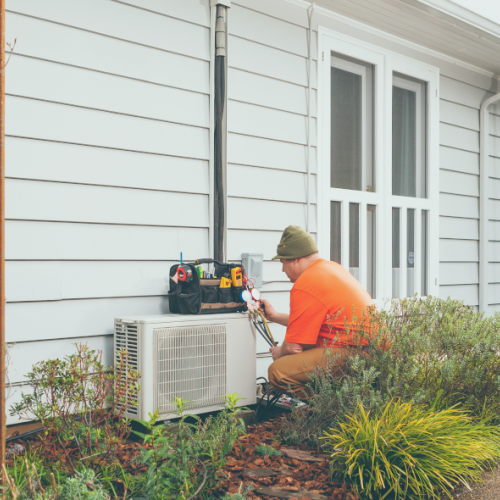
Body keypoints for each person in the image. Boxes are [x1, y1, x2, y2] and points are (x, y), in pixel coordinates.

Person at [261, 225, 374, 399]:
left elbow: (292, 348)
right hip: (371, 351)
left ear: (295, 259)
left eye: (283, 262)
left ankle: (330, 411)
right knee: (307, 351)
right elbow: (312, 322)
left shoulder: (305, 283)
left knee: (278, 371)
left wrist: (280, 353)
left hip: (355, 352)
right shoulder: (331, 269)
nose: (283, 270)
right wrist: (274, 316)